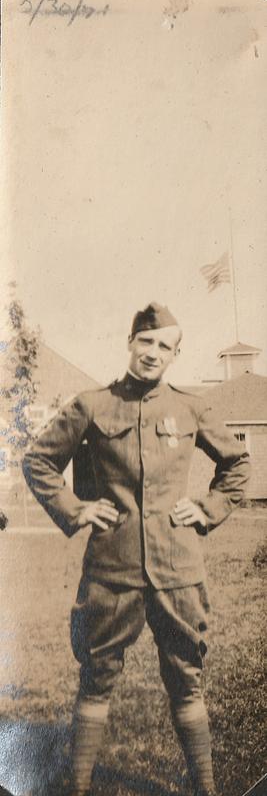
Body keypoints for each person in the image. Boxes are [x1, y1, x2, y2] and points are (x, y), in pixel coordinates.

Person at [22, 302, 250, 796]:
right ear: (130, 343)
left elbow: (236, 466)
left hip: (178, 569)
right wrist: (76, 508)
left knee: (187, 679)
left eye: (164, 346)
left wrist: (207, 509)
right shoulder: (92, 405)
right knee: (96, 677)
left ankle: (206, 788)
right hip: (111, 569)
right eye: (145, 342)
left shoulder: (192, 408)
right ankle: (79, 786)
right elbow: (39, 462)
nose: (152, 353)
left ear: (175, 355)